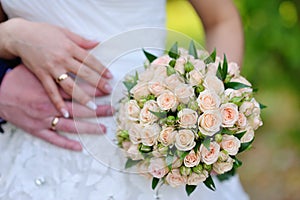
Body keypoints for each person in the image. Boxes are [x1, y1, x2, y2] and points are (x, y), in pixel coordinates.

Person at [0, 0, 247, 199]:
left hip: (161, 135)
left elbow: (220, 20)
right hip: (32, 136)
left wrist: (211, 103)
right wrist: (9, 36)